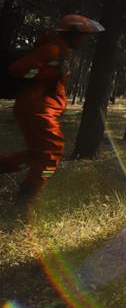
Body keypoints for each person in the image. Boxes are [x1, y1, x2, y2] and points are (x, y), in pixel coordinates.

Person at [1, 14, 104, 202]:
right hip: (38, 110)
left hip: (38, 109)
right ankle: (27, 196)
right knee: (51, 155)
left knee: (38, 154)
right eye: (82, 35)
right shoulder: (52, 50)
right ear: (71, 34)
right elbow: (18, 69)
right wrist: (43, 73)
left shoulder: (59, 51)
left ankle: (7, 169)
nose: (83, 40)